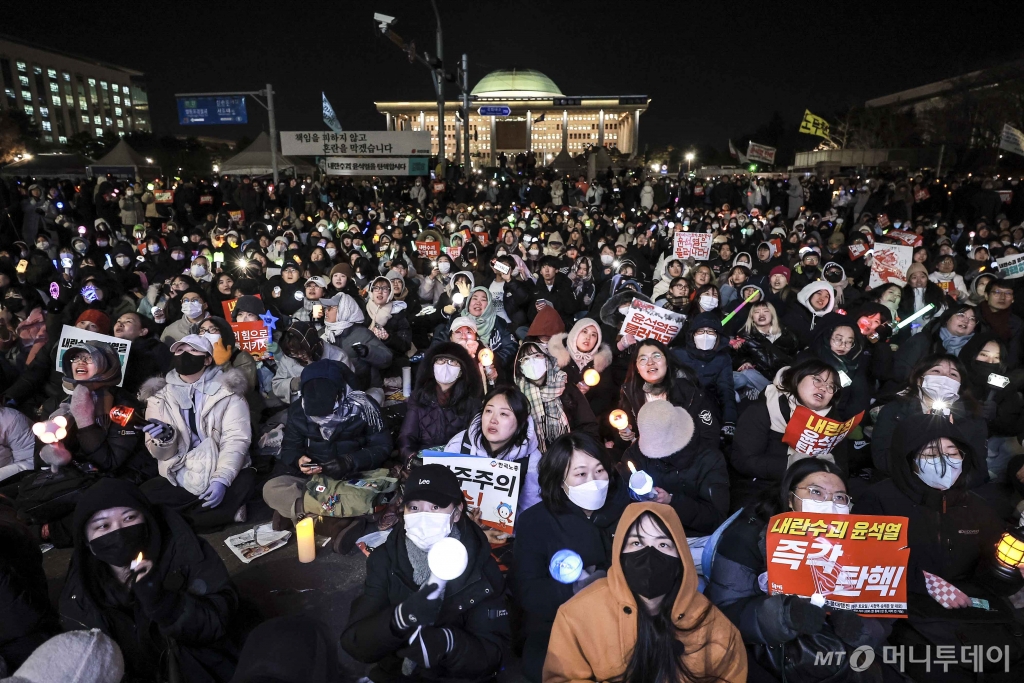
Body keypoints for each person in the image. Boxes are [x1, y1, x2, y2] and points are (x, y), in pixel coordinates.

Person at [856, 414, 1024, 680]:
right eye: (932, 453)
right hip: (910, 615)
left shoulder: (978, 506)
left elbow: (992, 577)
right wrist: (923, 582)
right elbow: (861, 563)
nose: (945, 460)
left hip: (973, 617)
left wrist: (1009, 570)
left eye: (952, 451)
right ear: (909, 457)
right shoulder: (877, 500)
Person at [706, 459, 890, 682]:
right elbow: (725, 611)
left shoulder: (864, 540)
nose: (829, 503)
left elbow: (885, 606)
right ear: (791, 498)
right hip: (776, 657)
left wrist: (861, 629)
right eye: (816, 492)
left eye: (839, 497)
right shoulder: (747, 536)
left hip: (845, 660)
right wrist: (783, 615)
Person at [340, 464, 509, 682]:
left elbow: (493, 653)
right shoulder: (385, 559)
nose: (423, 517)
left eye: (435, 508)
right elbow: (355, 644)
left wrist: (449, 644)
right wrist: (396, 620)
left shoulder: (481, 565)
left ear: (456, 513)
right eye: (415, 508)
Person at [59, 478, 238, 683]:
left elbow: (218, 620)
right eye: (103, 526)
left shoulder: (184, 551)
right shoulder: (82, 586)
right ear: (87, 541)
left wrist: (165, 605)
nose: (118, 532)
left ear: (147, 519)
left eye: (129, 518)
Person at [543, 504, 747, 683]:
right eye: (636, 543)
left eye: (663, 544)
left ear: (681, 557)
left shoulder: (713, 625)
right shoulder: (577, 615)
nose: (649, 554)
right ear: (619, 553)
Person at [512, 432, 630, 683]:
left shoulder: (629, 511)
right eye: (580, 474)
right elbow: (528, 591)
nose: (594, 481)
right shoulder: (536, 521)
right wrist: (576, 590)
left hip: (625, 620)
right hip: (558, 626)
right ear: (560, 479)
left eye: (599, 470)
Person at [138, 335, 254, 531]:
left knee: (246, 479)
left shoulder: (228, 393)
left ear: (207, 359)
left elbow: (235, 440)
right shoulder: (158, 398)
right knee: (147, 493)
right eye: (179, 351)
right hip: (181, 469)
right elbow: (158, 454)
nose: (184, 356)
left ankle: (178, 521)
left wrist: (220, 480)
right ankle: (222, 514)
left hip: (219, 463)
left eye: (192, 351)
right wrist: (165, 439)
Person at [262, 359, 391, 533]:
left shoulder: (365, 407)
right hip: (315, 480)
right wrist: (298, 460)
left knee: (366, 498)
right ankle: (330, 521)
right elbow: (289, 449)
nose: (323, 420)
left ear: (340, 393)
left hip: (355, 476)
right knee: (271, 489)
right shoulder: (298, 411)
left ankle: (301, 515)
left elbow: (382, 446)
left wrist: (349, 461)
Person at [730, 359, 848, 509]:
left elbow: (843, 470)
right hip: (763, 492)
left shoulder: (834, 424)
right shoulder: (764, 409)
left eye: (831, 386)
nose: (824, 388)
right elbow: (742, 461)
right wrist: (791, 464)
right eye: (817, 380)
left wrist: (830, 468)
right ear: (798, 378)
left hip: (816, 498)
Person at [871, 354, 987, 485]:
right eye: (936, 371)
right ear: (919, 379)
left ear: (960, 385)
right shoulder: (895, 410)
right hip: (904, 486)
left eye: (953, 374)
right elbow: (882, 459)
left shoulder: (973, 418)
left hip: (954, 492)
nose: (944, 378)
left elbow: (979, 469)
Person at [622, 400, 729, 540]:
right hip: (649, 532)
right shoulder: (635, 454)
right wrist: (638, 495)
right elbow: (622, 490)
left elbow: (716, 518)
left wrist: (672, 501)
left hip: (694, 537)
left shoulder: (709, 459)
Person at [443, 386, 543, 511]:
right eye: (488, 411)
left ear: (520, 422)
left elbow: (531, 510)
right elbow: (442, 497)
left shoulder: (531, 460)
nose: (493, 420)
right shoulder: (460, 444)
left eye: (503, 414)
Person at [619, 339, 720, 455]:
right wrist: (627, 434)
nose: (650, 362)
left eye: (656, 356)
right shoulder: (631, 394)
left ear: (667, 361)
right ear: (637, 368)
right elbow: (632, 440)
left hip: (690, 459)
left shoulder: (689, 391)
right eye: (643, 359)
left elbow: (709, 435)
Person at [398, 342, 484, 461]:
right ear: (432, 367)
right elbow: (407, 436)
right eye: (440, 360)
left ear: (461, 371)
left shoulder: (471, 402)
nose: (445, 366)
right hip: (424, 459)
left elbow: (475, 440)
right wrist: (411, 458)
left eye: (452, 362)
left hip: (458, 461)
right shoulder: (419, 397)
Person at [514, 342, 599, 451]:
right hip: (531, 456)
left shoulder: (567, 388)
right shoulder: (517, 395)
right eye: (526, 359)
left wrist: (577, 451)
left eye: (537, 355)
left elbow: (588, 425)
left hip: (567, 452)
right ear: (520, 368)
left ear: (547, 359)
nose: (532, 361)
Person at [671, 312, 737, 433]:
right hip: (680, 404)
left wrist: (729, 421)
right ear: (693, 335)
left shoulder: (723, 358)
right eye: (700, 331)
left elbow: (726, 389)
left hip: (708, 404)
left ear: (718, 336)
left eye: (710, 332)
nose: (705, 335)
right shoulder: (677, 354)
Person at [731, 301, 799, 400]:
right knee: (747, 374)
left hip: (783, 380)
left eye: (766, 311)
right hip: (759, 377)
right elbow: (736, 358)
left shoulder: (787, 335)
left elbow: (794, 357)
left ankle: (765, 394)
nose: (761, 314)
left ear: (772, 314)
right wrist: (745, 362)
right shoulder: (744, 336)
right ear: (752, 317)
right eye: (757, 312)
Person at [893, 303, 978, 382]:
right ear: (947, 319)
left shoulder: (976, 350)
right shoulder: (923, 340)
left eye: (972, 319)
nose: (966, 321)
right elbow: (901, 372)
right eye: (961, 315)